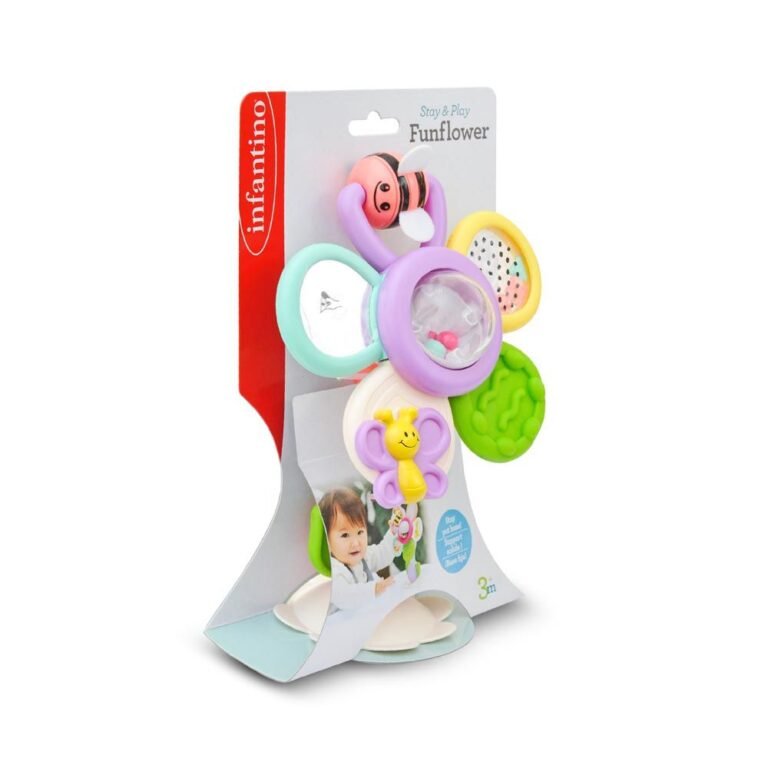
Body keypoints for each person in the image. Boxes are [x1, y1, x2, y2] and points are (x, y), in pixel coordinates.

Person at [318, 488, 401, 611]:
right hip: (341, 622)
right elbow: (346, 596)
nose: (356, 543)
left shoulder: (364, 557)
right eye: (345, 535)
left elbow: (383, 553)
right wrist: (374, 589)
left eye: (360, 532)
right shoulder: (333, 571)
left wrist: (394, 532)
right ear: (327, 542)